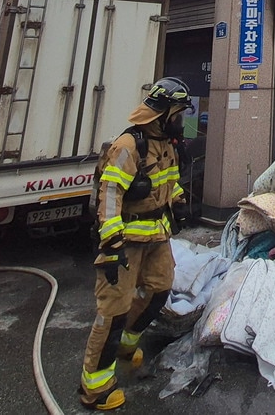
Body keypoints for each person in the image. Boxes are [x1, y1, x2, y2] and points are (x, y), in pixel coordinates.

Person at [79, 78, 190, 410]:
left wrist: (180, 202)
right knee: (113, 311)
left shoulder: (167, 144)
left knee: (159, 290)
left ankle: (126, 347)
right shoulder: (129, 146)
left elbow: (167, 183)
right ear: (162, 112)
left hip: (157, 237)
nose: (181, 119)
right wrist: (111, 244)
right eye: (178, 112)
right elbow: (109, 195)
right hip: (125, 242)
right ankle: (95, 387)